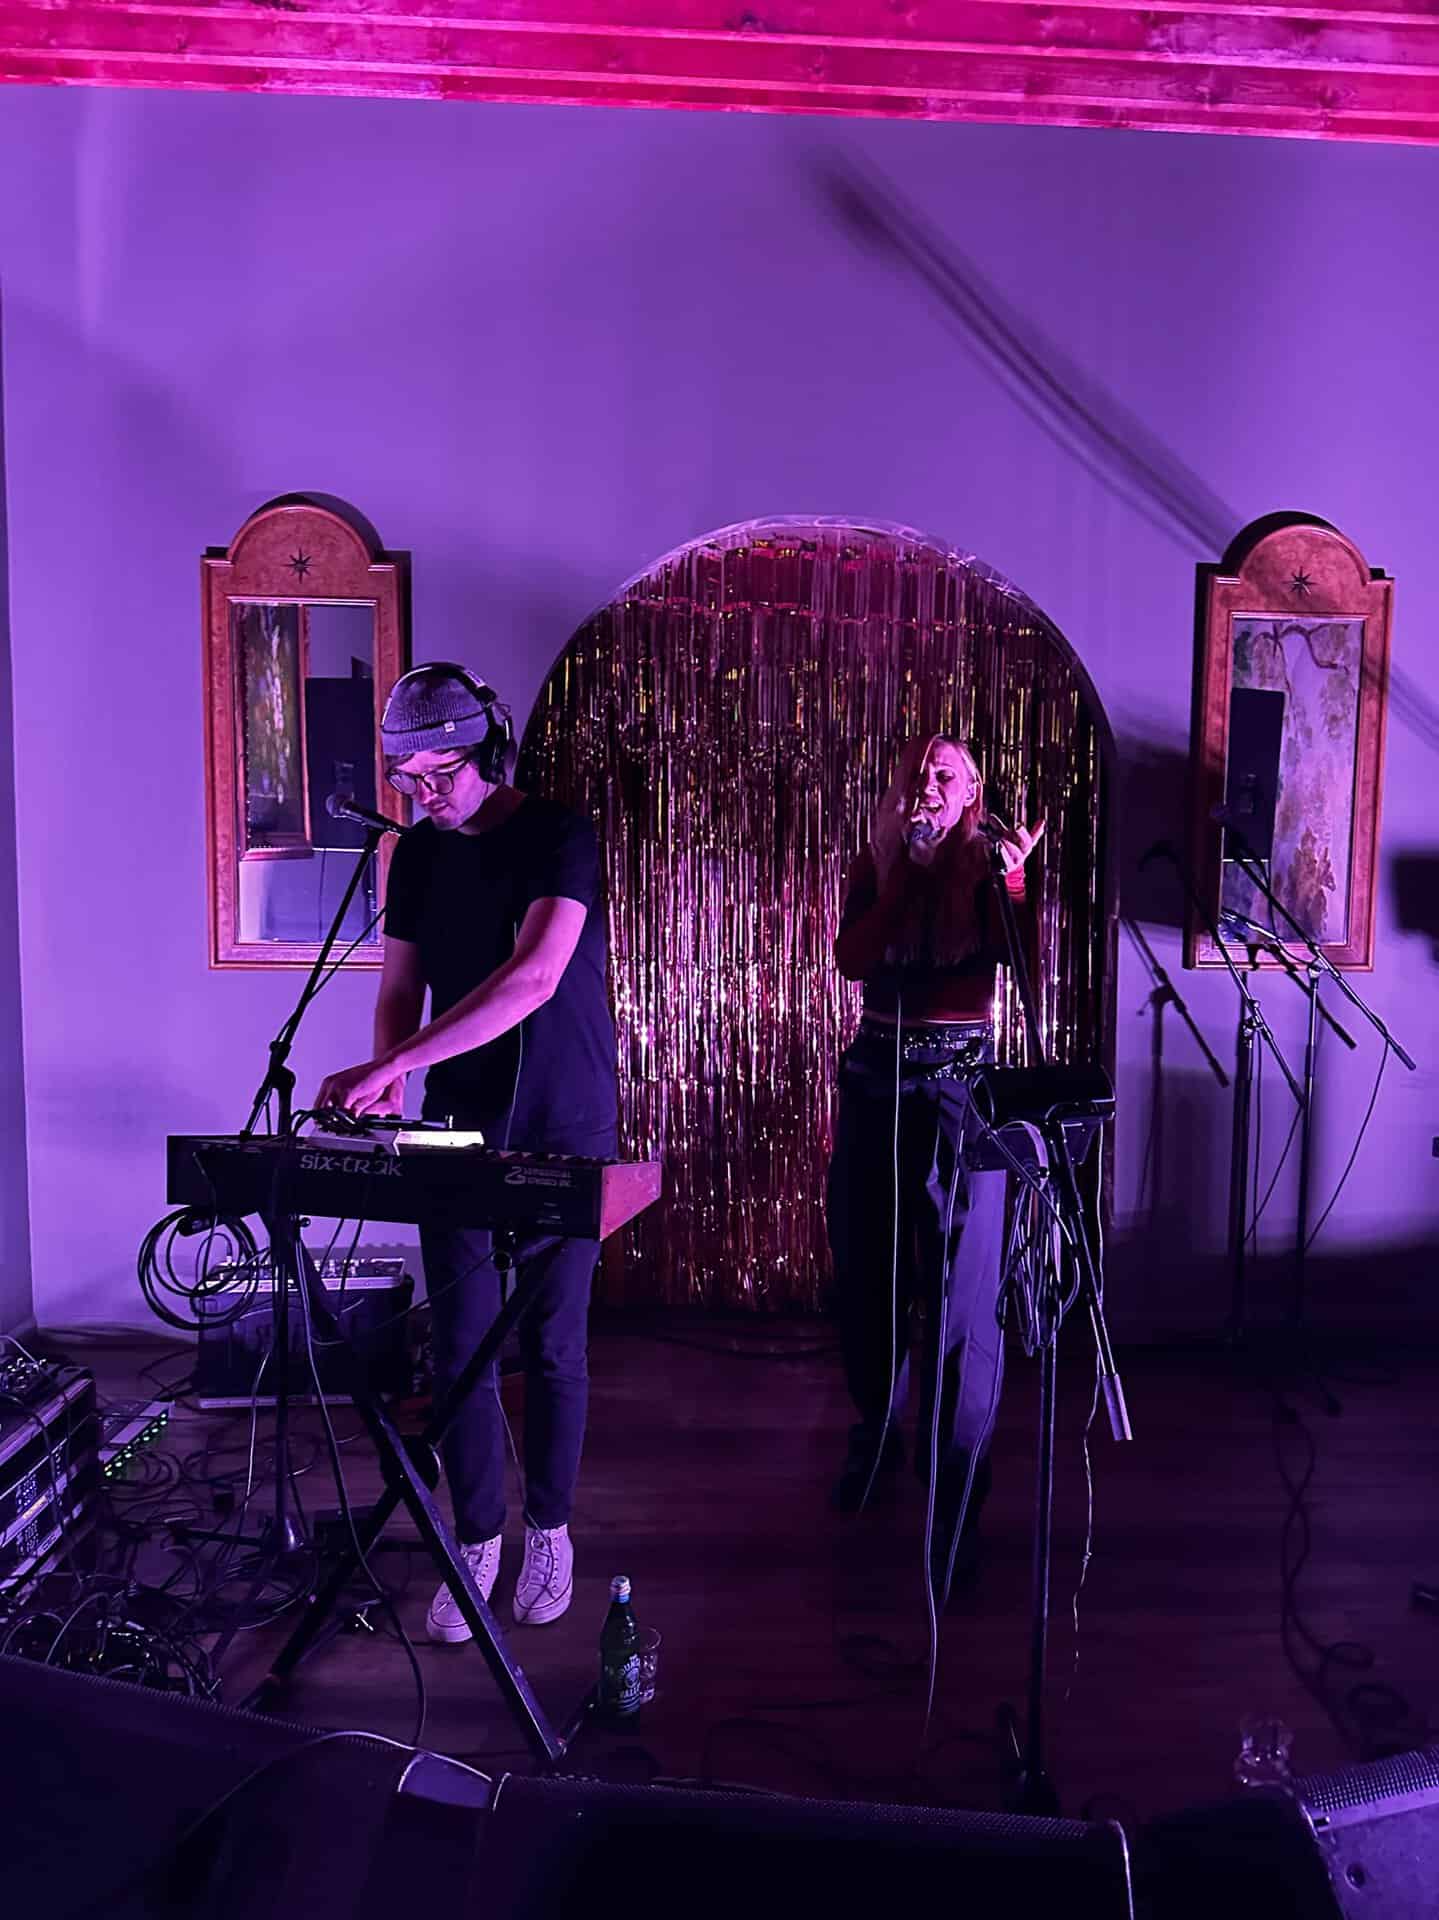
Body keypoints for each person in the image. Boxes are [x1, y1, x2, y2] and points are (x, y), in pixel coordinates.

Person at [315, 663, 618, 1640]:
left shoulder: (557, 837)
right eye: (405, 777)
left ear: (488, 749)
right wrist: (387, 1071)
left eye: (437, 774)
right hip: (455, 1116)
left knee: (554, 1346)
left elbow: (531, 978)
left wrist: (398, 1057)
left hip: (563, 1116)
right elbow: (399, 985)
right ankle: (474, 1538)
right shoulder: (418, 858)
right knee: (457, 1348)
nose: (422, 794)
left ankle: (550, 1532)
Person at [825, 735, 1044, 1605]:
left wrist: (1015, 881)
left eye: (944, 776)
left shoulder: (990, 865)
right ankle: (875, 1437)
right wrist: (902, 874)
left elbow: (1017, 962)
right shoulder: (877, 861)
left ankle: (954, 1494)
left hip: (960, 1086)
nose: (927, 786)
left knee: (961, 1295)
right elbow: (854, 960)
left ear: (971, 793)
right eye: (916, 774)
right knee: (869, 1274)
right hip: (877, 1074)